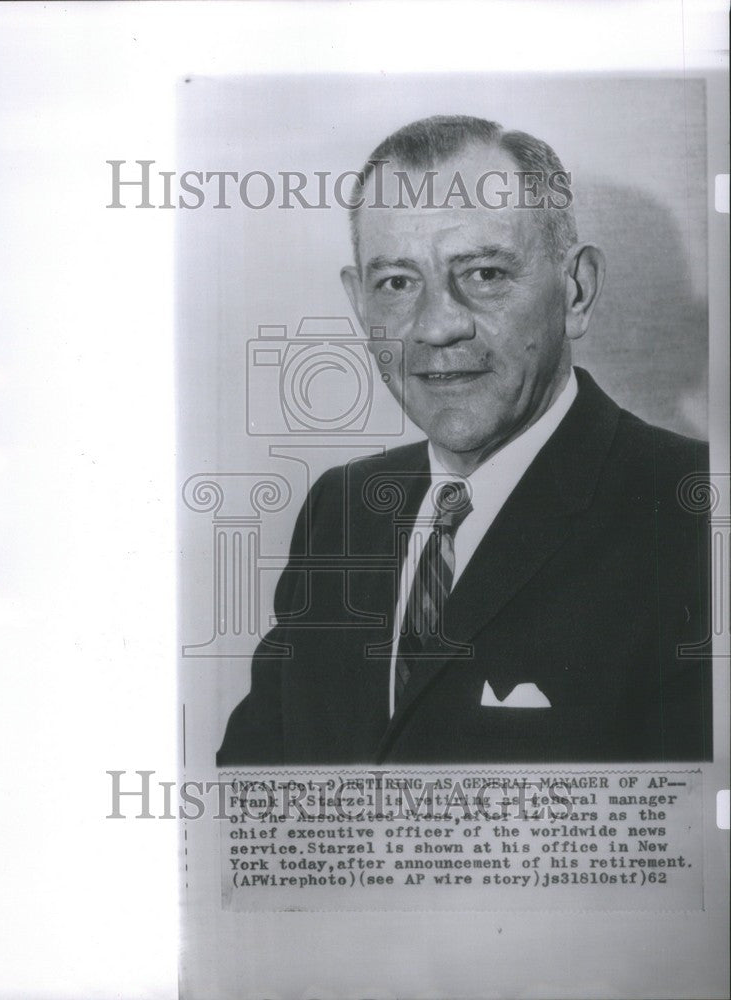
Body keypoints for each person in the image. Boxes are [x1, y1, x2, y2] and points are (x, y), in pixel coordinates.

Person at [217, 115, 712, 766]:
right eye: (396, 283)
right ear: (359, 303)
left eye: (483, 274)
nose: (437, 326)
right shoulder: (342, 509)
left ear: (576, 290)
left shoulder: (691, 516)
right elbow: (251, 800)